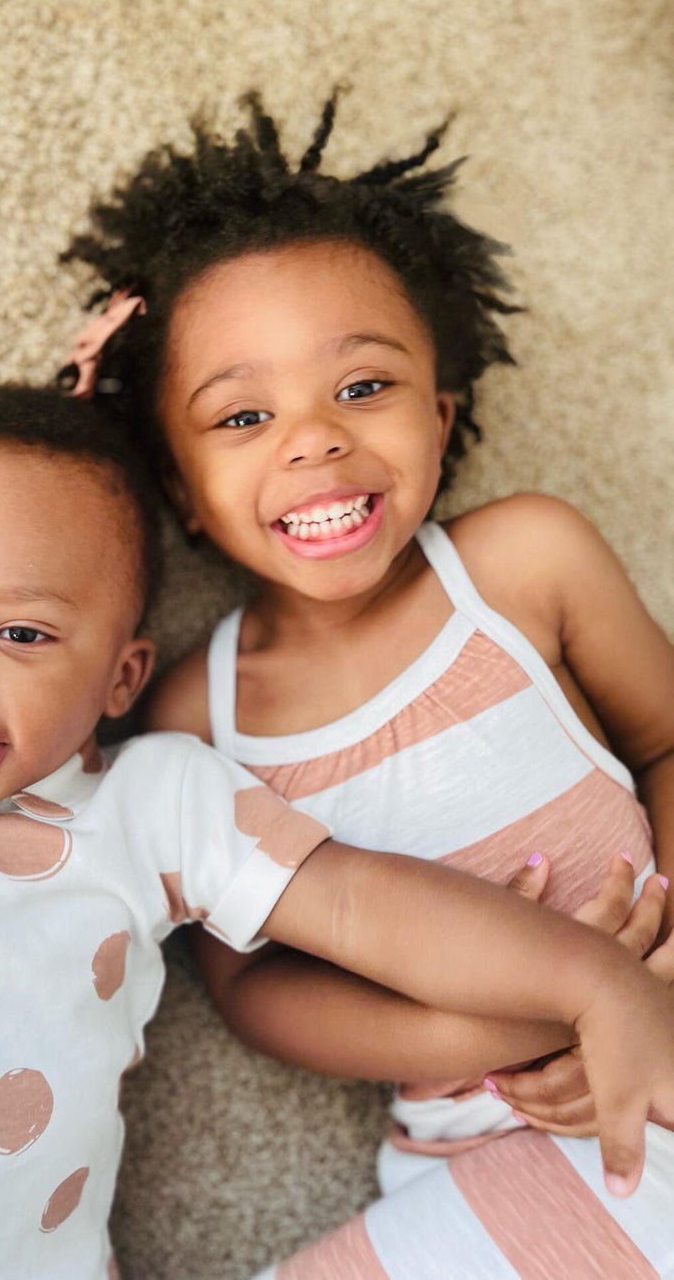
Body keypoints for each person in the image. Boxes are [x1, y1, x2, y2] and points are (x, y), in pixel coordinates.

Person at [59, 92, 674, 1277]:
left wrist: (650, 974)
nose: (312, 440)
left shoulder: (524, 564)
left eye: (362, 388)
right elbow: (253, 984)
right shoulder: (195, 717)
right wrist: (490, 1024)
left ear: (441, 414)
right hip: (482, 1146)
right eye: (241, 414)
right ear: (181, 492)